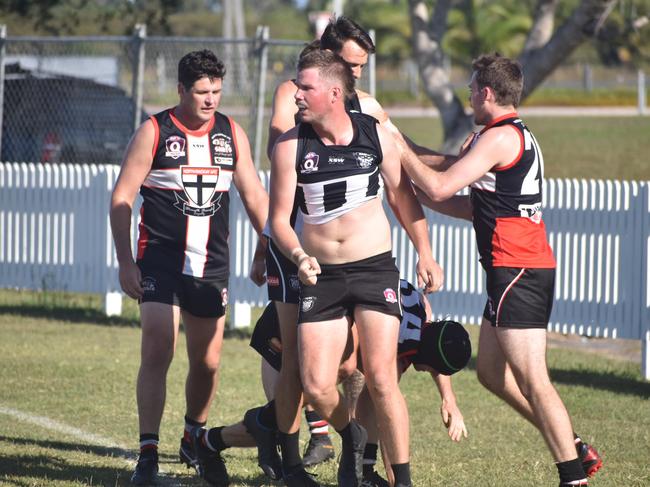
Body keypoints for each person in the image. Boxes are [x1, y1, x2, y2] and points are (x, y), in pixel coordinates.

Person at [398, 53, 602, 487]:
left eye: (472, 88)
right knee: (491, 374)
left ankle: (573, 475)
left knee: (533, 380)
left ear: (486, 93)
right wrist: (400, 150)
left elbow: (438, 182)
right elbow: (456, 194)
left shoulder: (500, 138)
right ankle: (574, 445)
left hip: (519, 271)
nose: (468, 95)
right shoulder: (495, 137)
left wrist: (400, 153)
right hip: (510, 271)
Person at [269, 49, 442, 487]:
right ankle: (352, 434)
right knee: (316, 383)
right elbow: (277, 220)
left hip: (373, 271)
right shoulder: (290, 146)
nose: (296, 97)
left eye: (304, 88)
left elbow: (404, 198)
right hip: (320, 274)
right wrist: (298, 255)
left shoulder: (376, 136)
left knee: (381, 378)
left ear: (332, 93)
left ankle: (401, 480)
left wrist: (425, 251)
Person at [109, 49, 268, 486]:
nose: (210, 99)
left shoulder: (231, 133)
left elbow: (255, 194)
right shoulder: (154, 131)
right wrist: (126, 263)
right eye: (201, 91)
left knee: (209, 363)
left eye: (217, 91)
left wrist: (266, 244)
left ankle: (192, 435)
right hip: (160, 259)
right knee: (159, 347)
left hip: (210, 265)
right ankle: (147, 453)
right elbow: (122, 198)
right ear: (181, 89)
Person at [190, 279, 469, 487]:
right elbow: (386, 412)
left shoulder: (421, 312)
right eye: (430, 368)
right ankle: (212, 440)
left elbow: (381, 399)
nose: (424, 372)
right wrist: (399, 478)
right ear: (424, 355)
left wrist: (449, 397)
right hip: (289, 325)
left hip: (318, 320)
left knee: (293, 410)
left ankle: (215, 440)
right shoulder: (399, 338)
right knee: (285, 417)